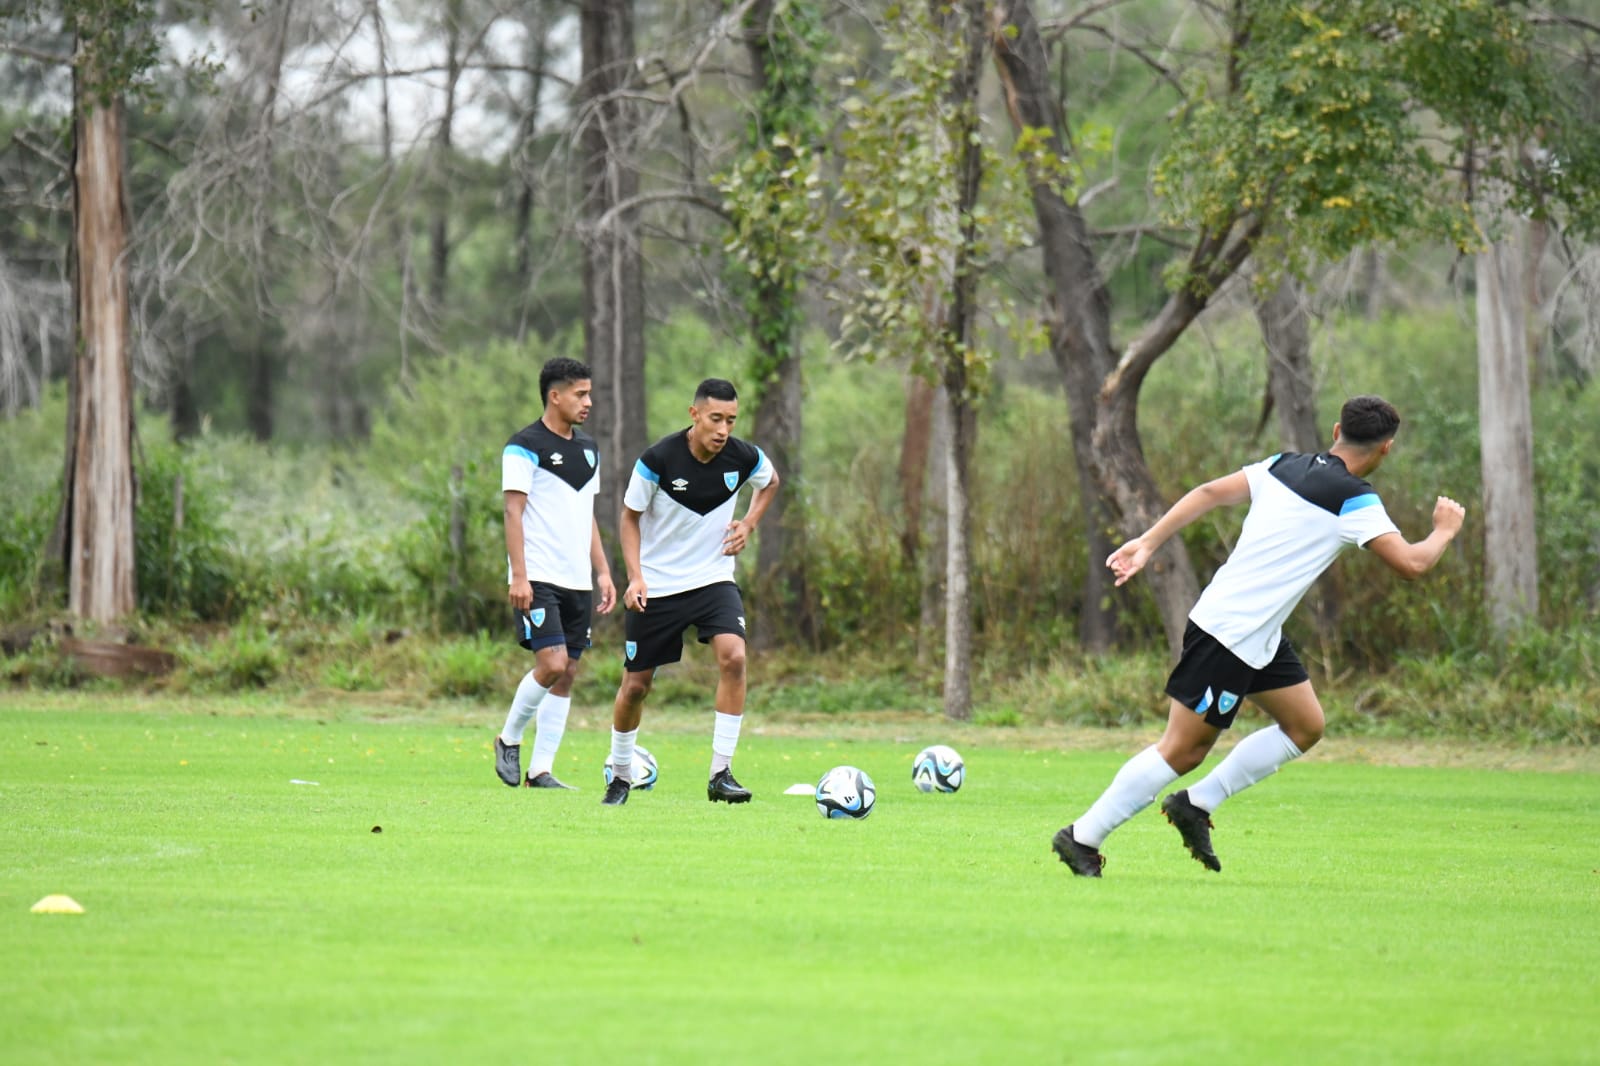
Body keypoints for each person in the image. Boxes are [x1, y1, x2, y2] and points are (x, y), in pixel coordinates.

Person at [1053, 395, 1465, 876]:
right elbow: (1413, 564)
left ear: (1336, 431)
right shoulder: (1356, 499)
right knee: (1182, 750)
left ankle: (1197, 804)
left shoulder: (1284, 465)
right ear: (1386, 449)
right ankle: (1082, 837)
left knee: (1306, 726)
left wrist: (1148, 540)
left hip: (1256, 633)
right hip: (1230, 633)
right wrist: (1444, 529)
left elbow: (1208, 492)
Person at [601, 378, 781, 806]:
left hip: (713, 578)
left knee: (734, 657)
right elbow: (629, 518)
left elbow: (770, 482)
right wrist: (635, 576)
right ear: (694, 414)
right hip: (658, 584)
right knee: (637, 685)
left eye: (731, 421)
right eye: (715, 418)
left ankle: (721, 773)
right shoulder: (657, 459)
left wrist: (749, 524)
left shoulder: (744, 457)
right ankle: (620, 773)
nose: (723, 429)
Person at [494, 357, 617, 790]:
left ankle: (540, 770)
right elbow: (513, 511)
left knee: (567, 673)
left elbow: (586, 516)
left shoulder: (589, 449)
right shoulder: (523, 445)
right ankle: (508, 739)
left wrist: (602, 572)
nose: (589, 402)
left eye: (589, 393)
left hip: (577, 579)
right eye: (580, 394)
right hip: (539, 574)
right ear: (555, 395)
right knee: (552, 663)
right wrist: (519, 575)